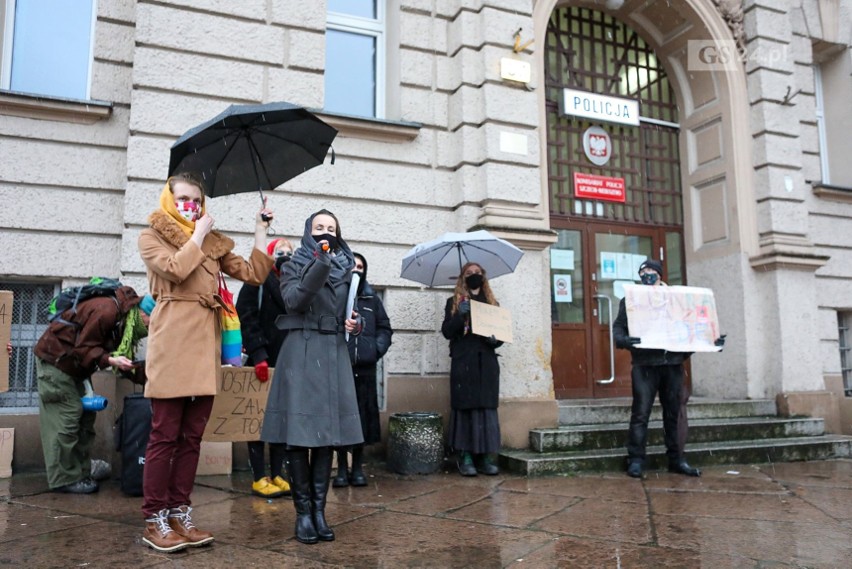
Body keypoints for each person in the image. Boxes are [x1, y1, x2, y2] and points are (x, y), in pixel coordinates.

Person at [138, 172, 273, 553]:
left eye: (197, 200)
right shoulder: (152, 235)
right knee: (164, 435)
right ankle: (155, 519)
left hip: (206, 346)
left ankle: (180, 512)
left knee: (192, 437)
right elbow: (176, 270)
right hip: (172, 341)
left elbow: (253, 273)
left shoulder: (213, 242)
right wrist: (197, 235)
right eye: (183, 198)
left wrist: (260, 230)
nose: (191, 206)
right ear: (169, 198)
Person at [262, 209, 363, 545]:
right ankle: (303, 514)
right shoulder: (293, 263)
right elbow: (293, 301)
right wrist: (320, 263)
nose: (325, 233)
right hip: (301, 354)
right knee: (298, 436)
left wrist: (356, 322)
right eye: (319, 227)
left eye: (331, 228)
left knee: (327, 437)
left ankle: (320, 512)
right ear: (308, 232)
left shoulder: (348, 266)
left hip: (333, 354)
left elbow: (350, 308)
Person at [33, 286, 152, 494]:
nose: (151, 329)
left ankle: (80, 470)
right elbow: (84, 348)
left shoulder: (124, 322)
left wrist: (149, 379)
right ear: (143, 313)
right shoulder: (107, 311)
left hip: (76, 367)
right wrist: (110, 359)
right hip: (56, 362)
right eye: (152, 322)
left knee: (86, 419)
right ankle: (65, 479)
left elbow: (115, 357)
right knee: (67, 417)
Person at [613, 259, 725, 479]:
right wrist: (625, 340)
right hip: (645, 365)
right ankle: (636, 460)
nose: (647, 275)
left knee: (673, 415)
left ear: (660, 275)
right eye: (643, 272)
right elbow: (618, 328)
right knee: (640, 414)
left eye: (652, 271)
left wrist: (710, 340)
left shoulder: (677, 300)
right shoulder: (631, 301)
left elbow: (691, 327)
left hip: (672, 365)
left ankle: (676, 459)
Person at [235, 237, 294, 498]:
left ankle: (279, 473)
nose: (284, 255)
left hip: (288, 361)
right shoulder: (257, 280)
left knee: (281, 420)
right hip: (263, 361)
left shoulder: (294, 283)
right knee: (258, 422)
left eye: (289, 251)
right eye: (279, 251)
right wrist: (258, 353)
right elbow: (245, 315)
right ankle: (259, 476)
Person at [333, 252, 393, 488]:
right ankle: (341, 469)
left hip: (365, 371)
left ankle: (358, 467)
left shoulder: (371, 299)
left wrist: (374, 350)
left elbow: (385, 329)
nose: (356, 270)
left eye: (360, 266)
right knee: (340, 420)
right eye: (352, 266)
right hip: (340, 368)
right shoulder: (335, 297)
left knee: (361, 421)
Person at [441, 262, 503, 477]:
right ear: (462, 278)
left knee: (486, 409)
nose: (474, 276)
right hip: (463, 362)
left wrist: (496, 341)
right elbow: (447, 332)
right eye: (469, 273)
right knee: (466, 408)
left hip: (486, 363)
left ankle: (486, 456)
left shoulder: (492, 304)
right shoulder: (454, 303)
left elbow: (501, 333)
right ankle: (465, 455)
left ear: (483, 276)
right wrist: (459, 315)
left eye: (477, 273)